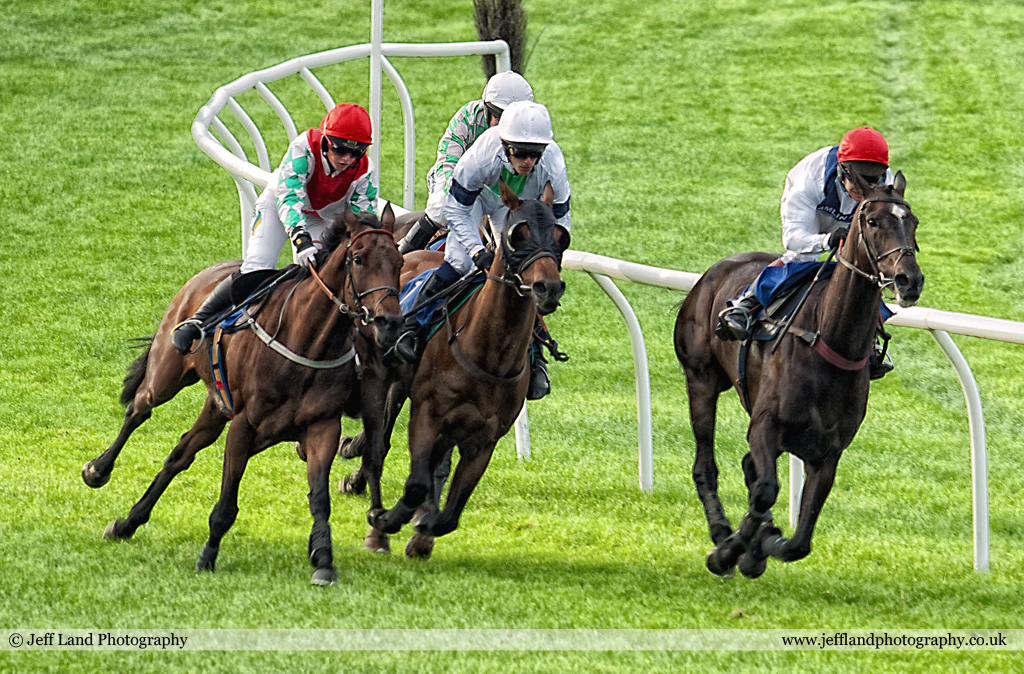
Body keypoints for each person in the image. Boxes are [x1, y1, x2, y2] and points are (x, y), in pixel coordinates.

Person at [393, 100, 572, 400]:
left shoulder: (553, 162)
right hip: (474, 202)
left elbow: (560, 221)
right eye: (519, 153)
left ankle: (537, 357)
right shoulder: (482, 155)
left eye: (534, 154)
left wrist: (549, 260)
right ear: (504, 145)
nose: (527, 161)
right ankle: (412, 327)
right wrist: (478, 251)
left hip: (517, 207)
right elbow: (457, 209)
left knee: (525, 277)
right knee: (459, 262)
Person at [171, 103, 377, 354]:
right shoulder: (302, 149)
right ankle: (197, 321)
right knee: (256, 268)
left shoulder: (365, 169)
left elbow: (360, 218)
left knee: (325, 277)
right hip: (281, 205)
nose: (347, 159)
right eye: (341, 149)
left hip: (326, 217)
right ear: (325, 141)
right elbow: (290, 199)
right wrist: (300, 239)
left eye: (356, 152)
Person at [715, 126, 895, 379]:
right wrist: (826, 240)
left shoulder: (885, 181)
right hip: (813, 213)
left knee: (861, 272)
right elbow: (793, 239)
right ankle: (745, 305)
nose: (864, 187)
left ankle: (873, 340)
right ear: (843, 169)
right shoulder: (810, 178)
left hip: (850, 220)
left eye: (873, 179)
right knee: (803, 259)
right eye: (859, 179)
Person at [396, 71, 535, 254]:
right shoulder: (467, 119)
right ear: (485, 108)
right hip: (459, 182)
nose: (500, 125)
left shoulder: (531, 130)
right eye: (497, 115)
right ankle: (401, 254)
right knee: (441, 206)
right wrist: (457, 195)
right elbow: (447, 161)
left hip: (498, 190)